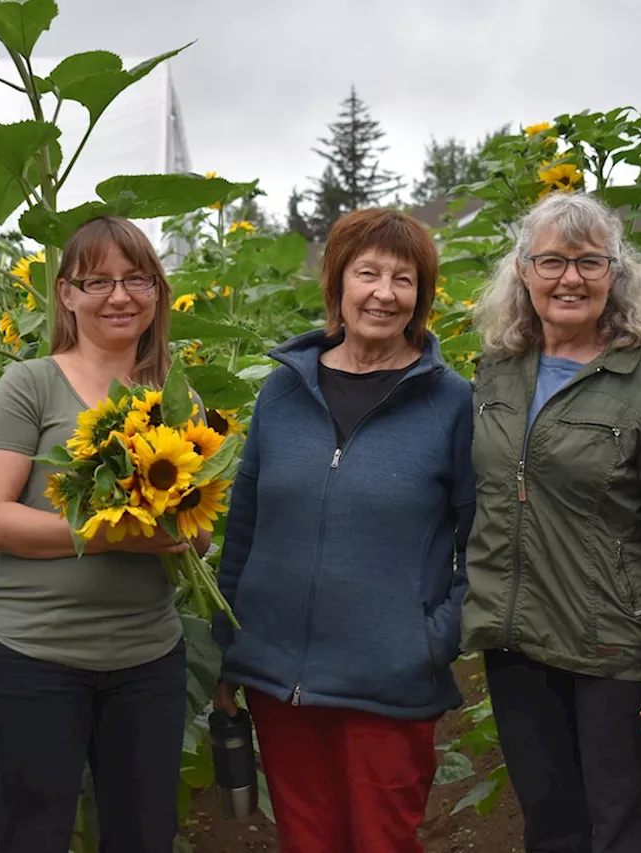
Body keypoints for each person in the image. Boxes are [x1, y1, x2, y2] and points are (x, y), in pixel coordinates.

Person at [212, 208, 476, 852]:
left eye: (404, 279)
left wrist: (432, 639)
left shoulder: (452, 403)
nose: (385, 293)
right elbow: (244, 526)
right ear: (337, 284)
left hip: (387, 681)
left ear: (421, 297)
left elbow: (486, 542)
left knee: (382, 840)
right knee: (307, 841)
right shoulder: (282, 391)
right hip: (278, 680)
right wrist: (228, 650)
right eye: (369, 273)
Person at [463, 191, 641, 853]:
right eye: (551, 261)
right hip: (518, 643)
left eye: (589, 262)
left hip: (616, 652)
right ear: (522, 270)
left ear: (614, 274)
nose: (570, 278)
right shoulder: (498, 371)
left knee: (623, 833)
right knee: (551, 830)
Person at [0, 216, 206, 853]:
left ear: (156, 291)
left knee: (145, 836)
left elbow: (197, 526)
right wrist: (112, 534)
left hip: (148, 659)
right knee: (34, 835)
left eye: (136, 279)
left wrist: (183, 530)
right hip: (32, 655)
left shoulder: (175, 397)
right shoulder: (31, 384)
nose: (120, 296)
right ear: (66, 295)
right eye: (97, 281)